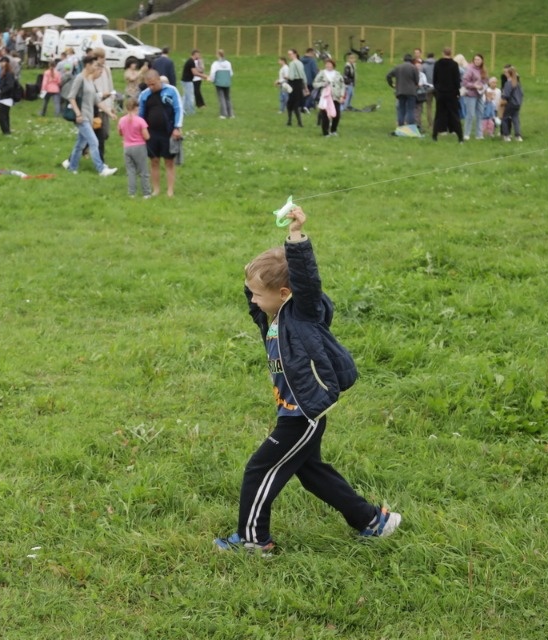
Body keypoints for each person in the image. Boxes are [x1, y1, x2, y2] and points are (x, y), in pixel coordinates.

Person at [213, 205, 402, 555]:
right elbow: (256, 301)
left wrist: (296, 237)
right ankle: (371, 520)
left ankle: (253, 540)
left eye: (257, 293)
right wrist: (251, 277)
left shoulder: (303, 313)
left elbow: (306, 280)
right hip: (293, 411)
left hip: (303, 414)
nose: (253, 300)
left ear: (285, 294)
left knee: (260, 468)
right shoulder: (271, 318)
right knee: (312, 472)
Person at [63, 56, 118, 177]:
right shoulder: (80, 78)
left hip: (89, 116)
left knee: (80, 144)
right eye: (94, 65)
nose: (96, 67)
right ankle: (101, 169)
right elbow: (71, 97)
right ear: (88, 65)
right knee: (94, 142)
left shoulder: (89, 80)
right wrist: (78, 113)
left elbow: (96, 101)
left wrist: (109, 113)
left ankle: (72, 168)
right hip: (82, 118)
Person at [138, 69, 183, 196]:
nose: (151, 87)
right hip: (151, 133)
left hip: (168, 132)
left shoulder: (171, 90)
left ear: (159, 80)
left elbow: (178, 109)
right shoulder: (144, 95)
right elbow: (141, 115)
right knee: (154, 161)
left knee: (169, 161)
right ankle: (156, 189)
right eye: (148, 85)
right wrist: (141, 130)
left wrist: (177, 127)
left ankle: (170, 190)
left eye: (153, 84)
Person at [117, 98, 151, 197]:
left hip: (127, 147)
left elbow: (120, 132)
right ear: (137, 108)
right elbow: (146, 136)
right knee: (143, 170)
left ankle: (131, 193)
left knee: (131, 171)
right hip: (139, 146)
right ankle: (146, 193)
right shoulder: (140, 121)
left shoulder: (122, 120)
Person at [431, 47, 464, 142]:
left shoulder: (437, 64)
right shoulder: (454, 65)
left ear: (442, 53)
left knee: (439, 114)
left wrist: (438, 90)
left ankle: (434, 135)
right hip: (452, 94)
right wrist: (457, 92)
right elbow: (457, 81)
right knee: (454, 115)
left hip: (440, 94)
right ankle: (460, 137)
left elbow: (434, 79)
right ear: (451, 53)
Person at [92, 48, 117, 164]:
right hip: (97, 106)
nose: (104, 60)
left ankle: (87, 148)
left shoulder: (106, 69)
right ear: (96, 58)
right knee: (100, 134)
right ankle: (99, 159)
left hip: (106, 105)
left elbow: (110, 86)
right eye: (102, 57)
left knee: (106, 133)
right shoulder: (92, 70)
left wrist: (111, 104)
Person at [313, 56, 345, 136]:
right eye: (326, 64)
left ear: (333, 65)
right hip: (325, 97)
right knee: (325, 115)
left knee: (336, 114)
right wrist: (323, 84)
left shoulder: (338, 74)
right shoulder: (322, 73)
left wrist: (342, 96)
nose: (328, 66)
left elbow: (342, 85)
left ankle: (333, 130)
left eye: (330, 64)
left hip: (335, 97)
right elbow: (315, 83)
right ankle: (325, 132)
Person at [386, 53, 419, 127]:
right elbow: (417, 81)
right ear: (411, 60)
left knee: (401, 109)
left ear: (404, 59)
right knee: (410, 109)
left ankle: (400, 126)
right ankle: (410, 126)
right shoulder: (414, 68)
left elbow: (388, 75)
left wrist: (391, 84)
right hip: (411, 92)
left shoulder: (398, 67)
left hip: (400, 91)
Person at [461, 54, 487, 140]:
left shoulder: (483, 70)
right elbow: (464, 82)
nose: (477, 61)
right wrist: (474, 86)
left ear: (482, 61)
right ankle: (466, 134)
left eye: (478, 59)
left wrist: (484, 86)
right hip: (471, 95)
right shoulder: (469, 69)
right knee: (470, 114)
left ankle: (479, 134)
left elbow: (485, 80)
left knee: (480, 114)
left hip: (480, 94)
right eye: (475, 59)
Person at [500, 65, 524, 142]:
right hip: (517, 104)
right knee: (515, 119)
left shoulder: (508, 83)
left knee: (504, 118)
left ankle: (506, 136)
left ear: (508, 74)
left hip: (510, 103)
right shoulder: (517, 83)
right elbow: (522, 93)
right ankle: (518, 136)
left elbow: (506, 95)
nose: (505, 74)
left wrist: (502, 101)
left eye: (506, 72)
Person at [208, 49, 234, 119]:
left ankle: (223, 114)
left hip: (219, 82)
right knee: (228, 98)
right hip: (227, 82)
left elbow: (213, 73)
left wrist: (212, 80)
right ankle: (231, 114)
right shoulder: (228, 63)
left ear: (218, 55)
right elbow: (231, 73)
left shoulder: (215, 64)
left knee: (221, 98)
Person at [285, 48, 306, 127]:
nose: (289, 56)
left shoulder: (292, 63)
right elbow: (303, 75)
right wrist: (305, 85)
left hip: (293, 84)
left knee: (291, 103)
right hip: (299, 83)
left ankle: (290, 120)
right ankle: (298, 122)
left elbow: (291, 77)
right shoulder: (300, 63)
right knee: (296, 103)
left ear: (295, 54)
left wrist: (286, 77)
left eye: (290, 54)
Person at [0, 56, 15, 135]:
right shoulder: (4, 73)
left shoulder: (9, 74)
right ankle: (6, 130)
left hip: (6, 97)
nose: (0, 64)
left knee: (2, 115)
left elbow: (10, 86)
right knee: (4, 115)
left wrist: (1, 92)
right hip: (3, 97)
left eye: (2, 62)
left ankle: (6, 131)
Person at [180, 50, 198, 116]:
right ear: (194, 54)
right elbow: (195, 73)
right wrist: (205, 76)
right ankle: (191, 111)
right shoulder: (191, 61)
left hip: (185, 81)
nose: (198, 56)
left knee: (185, 96)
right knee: (190, 96)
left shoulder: (190, 61)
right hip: (187, 81)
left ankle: (182, 110)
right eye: (198, 55)